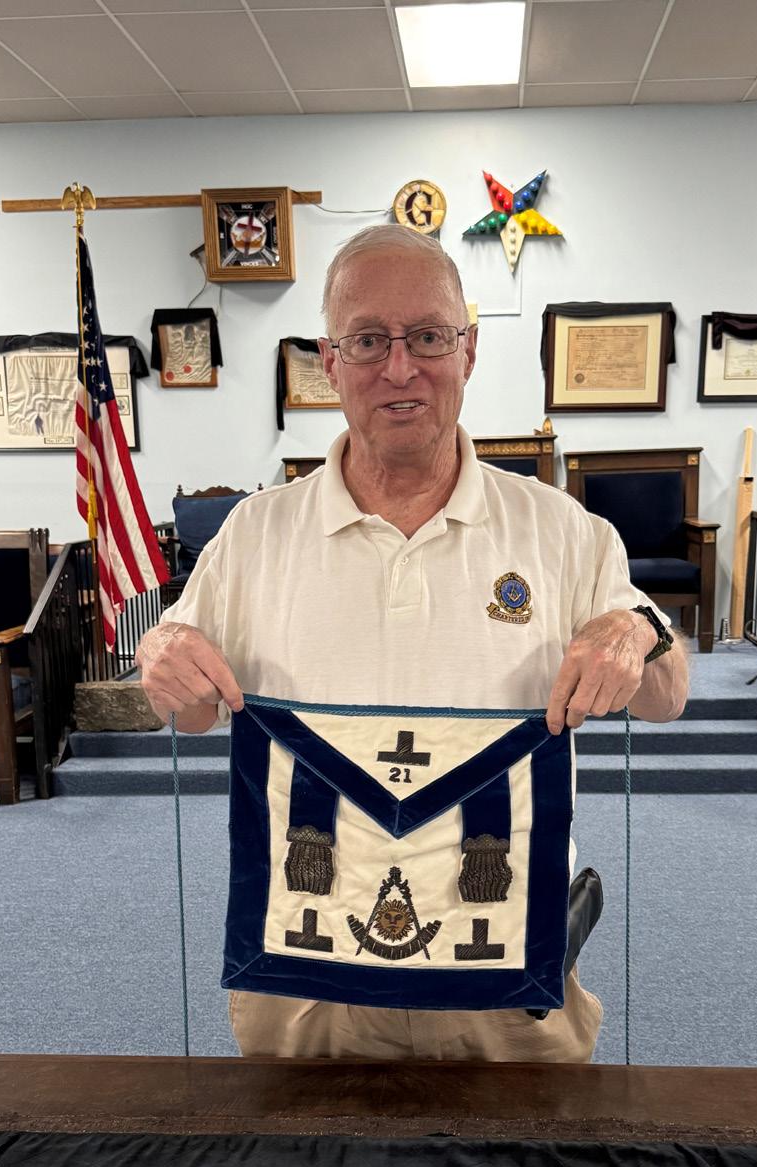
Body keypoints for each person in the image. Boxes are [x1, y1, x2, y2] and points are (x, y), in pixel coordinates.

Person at [136, 224, 689, 1063]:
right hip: (307, 966)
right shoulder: (253, 536)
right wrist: (162, 655)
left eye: (428, 336)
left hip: (502, 958)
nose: (400, 368)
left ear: (469, 350)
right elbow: (191, 713)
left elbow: (669, 696)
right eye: (368, 340)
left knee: (528, 1142)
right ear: (330, 361)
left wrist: (638, 631)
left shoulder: (563, 532)